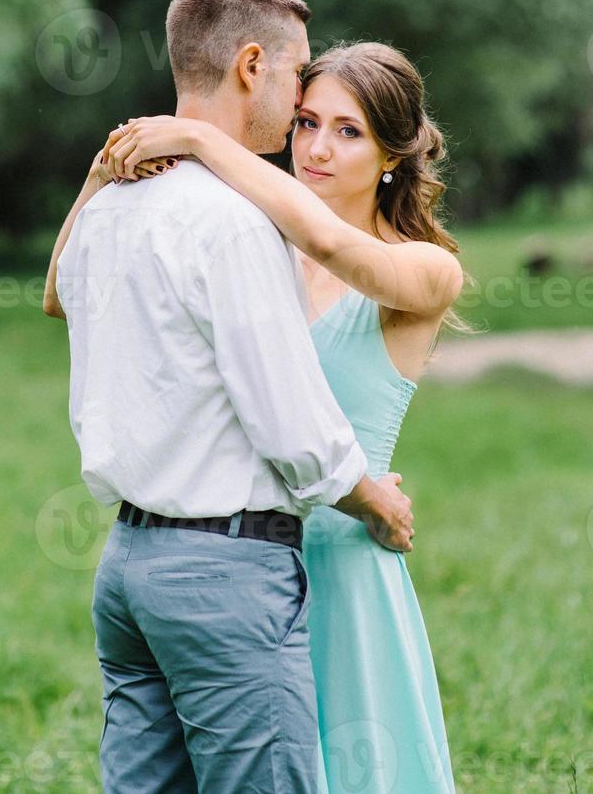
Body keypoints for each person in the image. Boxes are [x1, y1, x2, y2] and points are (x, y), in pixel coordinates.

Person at [43, 0, 414, 794]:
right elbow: (290, 421)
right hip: (224, 577)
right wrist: (371, 496)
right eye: (295, 73)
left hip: (126, 569)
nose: (297, 104)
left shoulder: (107, 209)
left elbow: (57, 295)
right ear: (252, 65)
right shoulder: (235, 222)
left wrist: (104, 169)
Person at [102, 40, 464, 793]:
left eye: (348, 131)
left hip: (344, 561)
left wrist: (200, 135)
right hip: (238, 562)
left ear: (393, 154)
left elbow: (331, 241)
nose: (317, 149)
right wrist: (115, 164)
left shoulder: (424, 269)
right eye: (304, 123)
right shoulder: (247, 248)